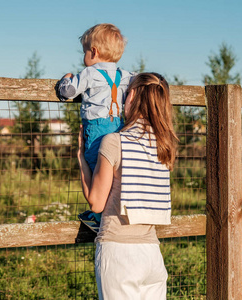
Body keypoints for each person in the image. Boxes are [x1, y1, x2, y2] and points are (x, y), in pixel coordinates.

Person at [77, 72, 178, 299]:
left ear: (131, 95)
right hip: (152, 254)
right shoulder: (164, 146)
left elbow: (96, 202)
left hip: (119, 253)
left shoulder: (114, 141)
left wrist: (82, 160)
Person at [55, 23, 135, 226]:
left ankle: (100, 217)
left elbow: (68, 92)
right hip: (119, 127)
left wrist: (67, 78)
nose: (84, 56)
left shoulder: (89, 73)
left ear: (94, 51)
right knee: (114, 170)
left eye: (84, 51)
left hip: (97, 129)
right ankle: (110, 211)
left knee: (94, 166)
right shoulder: (125, 76)